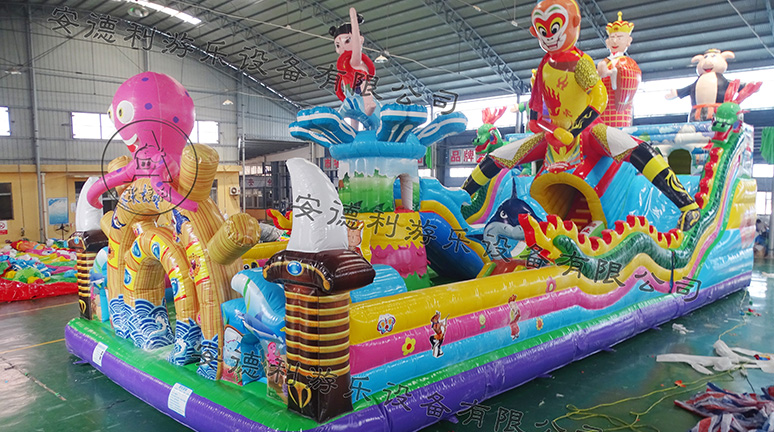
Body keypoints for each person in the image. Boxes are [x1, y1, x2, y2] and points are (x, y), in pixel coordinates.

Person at [461, 0, 700, 231]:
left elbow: (599, 98)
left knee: (638, 149)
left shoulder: (581, 63)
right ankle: (461, 198)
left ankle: (688, 206)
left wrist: (574, 130)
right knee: (498, 156)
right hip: (554, 136)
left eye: (554, 28)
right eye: (543, 30)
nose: (549, 36)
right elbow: (535, 109)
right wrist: (544, 127)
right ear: (535, 32)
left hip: (589, 132)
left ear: (572, 23)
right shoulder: (544, 66)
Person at [329, 8, 377, 121]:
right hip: (349, 90)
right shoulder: (343, 67)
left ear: (360, 39)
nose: (342, 47)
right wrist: (342, 96)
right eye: (338, 45)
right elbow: (338, 87)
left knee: (363, 82)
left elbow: (356, 45)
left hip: (358, 83)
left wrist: (354, 20)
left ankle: (368, 102)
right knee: (352, 107)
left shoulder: (355, 60)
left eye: (347, 41)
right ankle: (352, 125)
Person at [596, 12, 641, 128]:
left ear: (628, 41)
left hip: (619, 114)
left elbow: (626, 84)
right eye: (612, 37)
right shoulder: (605, 62)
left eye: (619, 37)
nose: (615, 41)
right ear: (607, 42)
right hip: (601, 111)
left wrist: (612, 73)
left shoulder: (628, 63)